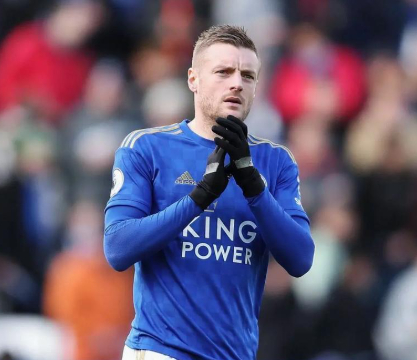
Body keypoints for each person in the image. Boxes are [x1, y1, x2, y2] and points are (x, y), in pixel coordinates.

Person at [103, 25, 315, 360]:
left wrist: (254, 187)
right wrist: (199, 198)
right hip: (162, 350)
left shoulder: (276, 161)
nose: (237, 83)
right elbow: (117, 248)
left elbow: (301, 259)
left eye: (248, 75)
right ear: (193, 79)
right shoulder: (147, 147)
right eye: (223, 72)